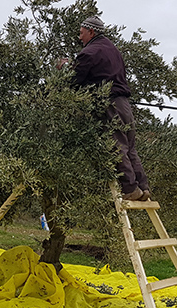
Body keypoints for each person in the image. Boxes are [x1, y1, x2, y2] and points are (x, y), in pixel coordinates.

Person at [58, 16, 150, 201]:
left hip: (109, 104)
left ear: (91, 32)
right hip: (124, 104)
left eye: (81, 33)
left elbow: (75, 80)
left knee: (117, 146)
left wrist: (65, 67)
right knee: (130, 147)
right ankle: (143, 187)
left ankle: (130, 188)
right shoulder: (113, 49)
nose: (79, 37)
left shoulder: (90, 52)